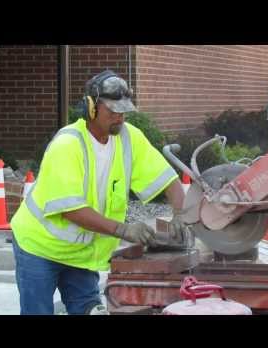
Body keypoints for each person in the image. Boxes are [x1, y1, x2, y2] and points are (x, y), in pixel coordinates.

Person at [11, 70, 187, 315]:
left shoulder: (129, 138)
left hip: (81, 255)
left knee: (90, 311)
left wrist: (180, 215)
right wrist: (123, 229)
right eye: (112, 111)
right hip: (39, 248)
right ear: (91, 107)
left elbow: (168, 179)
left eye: (123, 111)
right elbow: (72, 210)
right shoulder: (68, 144)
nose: (120, 118)